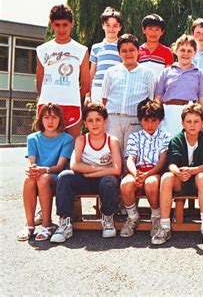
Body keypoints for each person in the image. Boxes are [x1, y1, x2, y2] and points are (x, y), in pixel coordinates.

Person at [50, 102, 122, 243]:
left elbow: (117, 169)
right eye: (90, 120)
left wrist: (92, 173)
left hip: (103, 181)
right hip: (84, 180)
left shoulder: (112, 141)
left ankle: (107, 218)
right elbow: (74, 165)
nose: (94, 124)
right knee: (64, 176)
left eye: (98, 120)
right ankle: (65, 222)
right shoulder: (81, 140)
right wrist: (99, 169)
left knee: (110, 180)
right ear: (85, 123)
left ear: (105, 121)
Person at [155, 103, 203, 246]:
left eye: (196, 121)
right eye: (188, 121)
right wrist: (178, 172)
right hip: (180, 180)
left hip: (198, 182)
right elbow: (171, 163)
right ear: (182, 123)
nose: (192, 125)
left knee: (202, 177)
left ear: (202, 123)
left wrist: (192, 171)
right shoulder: (176, 139)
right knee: (166, 177)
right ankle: (164, 226)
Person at [17, 103, 74, 241]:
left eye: (54, 117)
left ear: (60, 119)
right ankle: (30, 225)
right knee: (28, 179)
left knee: (43, 178)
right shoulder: (32, 138)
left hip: (55, 177)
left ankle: (46, 224)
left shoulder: (67, 139)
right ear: (40, 119)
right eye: (46, 117)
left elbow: (60, 166)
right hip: (38, 174)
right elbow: (32, 162)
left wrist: (44, 170)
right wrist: (33, 169)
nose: (50, 121)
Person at [36, 4, 90, 139]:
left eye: (65, 24)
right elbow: (40, 84)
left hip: (71, 105)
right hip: (46, 106)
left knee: (72, 149)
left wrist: (69, 94)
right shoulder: (42, 50)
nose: (61, 29)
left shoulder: (81, 50)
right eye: (57, 25)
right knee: (47, 150)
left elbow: (85, 85)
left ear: (72, 24)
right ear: (51, 24)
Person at [119, 98, 171, 241]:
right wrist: (136, 174)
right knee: (125, 183)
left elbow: (162, 161)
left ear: (160, 120)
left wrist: (148, 174)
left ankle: (156, 217)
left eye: (154, 120)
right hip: (137, 170)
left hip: (155, 171)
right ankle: (133, 217)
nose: (150, 124)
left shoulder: (165, 137)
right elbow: (130, 158)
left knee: (151, 183)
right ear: (140, 120)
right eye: (146, 120)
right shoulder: (134, 136)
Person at [102, 33, 156, 152]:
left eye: (132, 50)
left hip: (135, 120)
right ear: (119, 53)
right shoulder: (110, 72)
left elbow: (151, 99)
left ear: (138, 51)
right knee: (111, 154)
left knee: (130, 155)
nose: (128, 54)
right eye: (124, 51)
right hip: (112, 119)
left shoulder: (148, 73)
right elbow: (104, 98)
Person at [155, 34, 203, 136]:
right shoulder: (166, 72)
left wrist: (201, 125)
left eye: (189, 51)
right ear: (176, 51)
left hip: (190, 115)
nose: (185, 54)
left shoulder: (200, 74)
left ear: (195, 53)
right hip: (168, 114)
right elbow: (158, 99)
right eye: (182, 50)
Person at [86, 7, 123, 103]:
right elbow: (92, 73)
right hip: (97, 89)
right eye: (108, 25)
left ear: (120, 27)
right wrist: (88, 95)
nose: (111, 29)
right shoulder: (96, 47)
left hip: (116, 89)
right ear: (103, 26)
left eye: (115, 26)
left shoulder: (123, 48)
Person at [138, 14, 174, 80]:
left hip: (159, 89)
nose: (153, 33)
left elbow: (168, 75)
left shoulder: (167, 52)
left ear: (162, 32)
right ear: (143, 30)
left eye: (157, 29)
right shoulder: (137, 51)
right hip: (141, 88)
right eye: (150, 29)